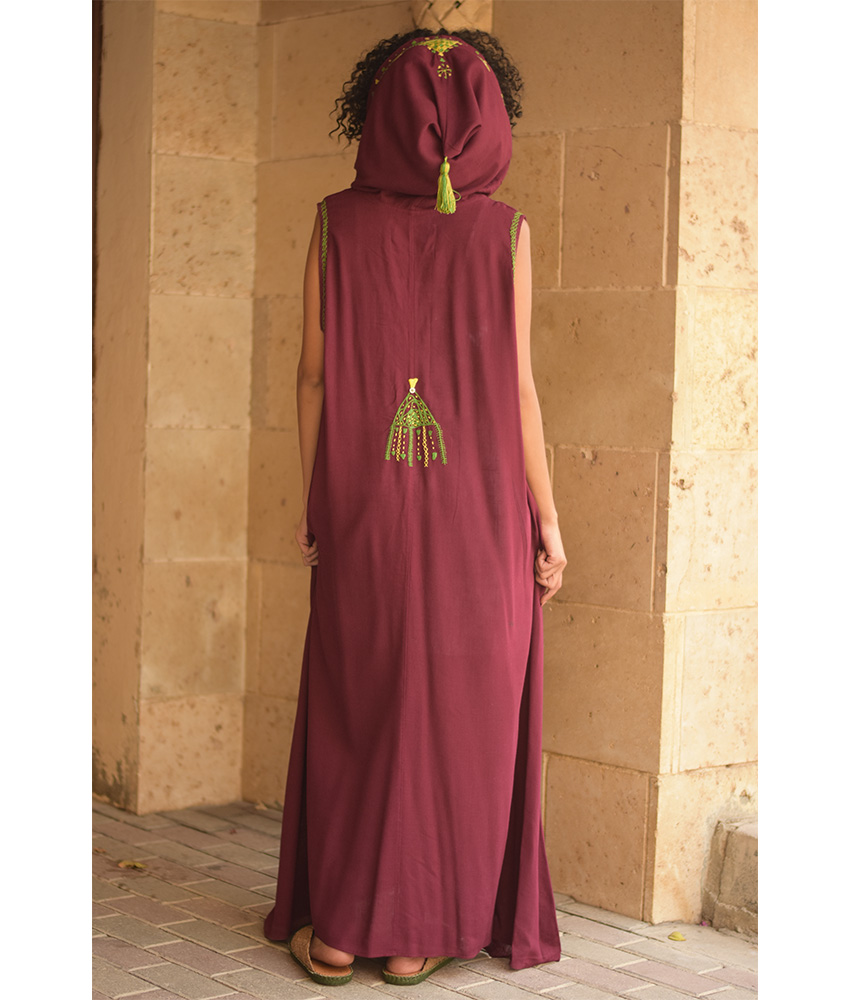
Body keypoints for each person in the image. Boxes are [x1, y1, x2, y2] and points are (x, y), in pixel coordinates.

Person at [263, 27, 568, 986]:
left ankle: (339, 933)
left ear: (378, 112)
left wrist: (317, 497)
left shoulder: (332, 224)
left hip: (363, 507)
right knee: (461, 716)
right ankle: (414, 937)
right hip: (480, 518)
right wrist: (549, 521)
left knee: (362, 700)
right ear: (488, 120)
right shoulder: (505, 231)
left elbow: (313, 378)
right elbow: (519, 393)